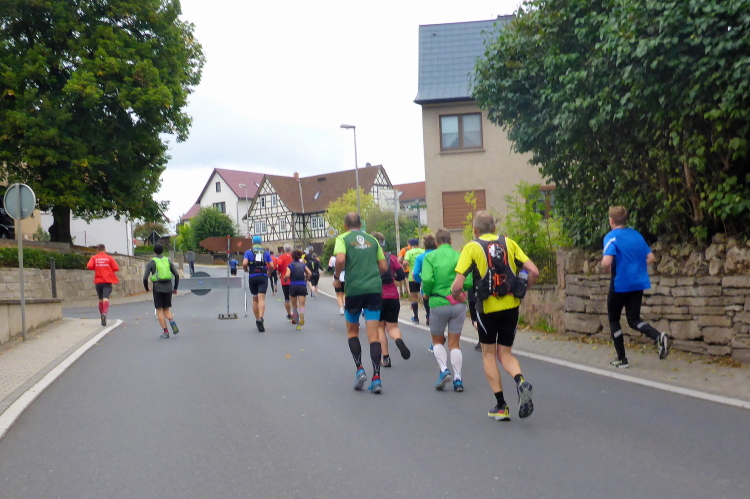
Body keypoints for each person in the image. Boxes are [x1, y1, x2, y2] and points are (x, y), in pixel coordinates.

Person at [451, 211, 539, 421]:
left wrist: (458, 296)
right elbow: (534, 271)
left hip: (487, 308)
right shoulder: (509, 243)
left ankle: (501, 406)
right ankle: (520, 381)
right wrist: (522, 288)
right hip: (511, 306)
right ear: (495, 228)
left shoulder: (471, 247)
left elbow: (457, 285)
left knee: (488, 353)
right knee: (505, 353)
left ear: (475, 230)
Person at [602, 206, 671, 368]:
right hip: (637, 283)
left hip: (620, 284)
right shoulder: (636, 235)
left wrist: (605, 266)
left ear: (611, 221)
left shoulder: (611, 237)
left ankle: (621, 359)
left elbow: (606, 262)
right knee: (634, 319)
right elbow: (651, 257)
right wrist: (636, 266)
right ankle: (658, 336)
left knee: (614, 319)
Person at [333, 212, 388, 394]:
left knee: (352, 331)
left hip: (354, 290)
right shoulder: (372, 239)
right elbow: (383, 266)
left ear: (345, 225)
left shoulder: (343, 238)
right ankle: (376, 378)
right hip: (373, 289)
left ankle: (360, 369)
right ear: (360, 224)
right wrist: (372, 276)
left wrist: (337, 277)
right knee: (374, 336)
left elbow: (340, 259)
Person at [422, 229, 472, 392]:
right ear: (451, 241)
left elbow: (427, 279)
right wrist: (460, 290)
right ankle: (458, 379)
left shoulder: (430, 257)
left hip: (438, 302)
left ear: (436, 243)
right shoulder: (460, 256)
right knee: (454, 343)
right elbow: (469, 281)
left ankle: (444, 370)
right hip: (458, 303)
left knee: (437, 341)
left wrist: (427, 293)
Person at [371, 232, 411, 367]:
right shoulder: (392, 258)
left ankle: (386, 358)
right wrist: (393, 277)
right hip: (393, 296)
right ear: (383, 243)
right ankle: (398, 339)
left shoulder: (370, 260)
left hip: (377, 296)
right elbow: (401, 275)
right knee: (392, 327)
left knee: (380, 328)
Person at [143, 243, 180, 339]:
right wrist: (175, 288)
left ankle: (166, 332)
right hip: (168, 287)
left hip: (157, 288)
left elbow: (145, 278)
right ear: (162, 251)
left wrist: (147, 289)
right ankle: (171, 320)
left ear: (154, 252)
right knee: (166, 309)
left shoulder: (151, 262)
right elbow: (176, 275)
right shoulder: (167, 260)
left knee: (159, 309)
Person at [243, 235, 274, 332]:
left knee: (255, 299)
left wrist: (246, 269)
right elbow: (272, 265)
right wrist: (269, 273)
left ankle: (257, 320)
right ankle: (261, 317)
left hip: (252, 276)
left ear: (252, 243)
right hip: (263, 276)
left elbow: (244, 263)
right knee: (262, 299)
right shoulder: (266, 252)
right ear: (261, 243)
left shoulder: (248, 252)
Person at [86, 244, 120, 326]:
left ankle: (102, 315)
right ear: (105, 250)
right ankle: (104, 313)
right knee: (106, 298)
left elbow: (89, 266)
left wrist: (97, 267)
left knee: (100, 299)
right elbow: (116, 268)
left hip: (98, 281)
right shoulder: (109, 258)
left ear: (97, 250)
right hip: (107, 281)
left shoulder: (94, 258)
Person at [412, 233, 437, 326]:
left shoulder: (420, 257)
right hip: (441, 284)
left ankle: (429, 315)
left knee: (427, 300)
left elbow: (415, 273)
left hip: (426, 284)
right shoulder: (440, 255)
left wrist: (418, 280)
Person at [285, 249, 312, 330]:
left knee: (294, 306)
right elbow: (310, 273)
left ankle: (298, 324)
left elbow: (287, 275)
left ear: (292, 256)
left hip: (293, 285)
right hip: (302, 285)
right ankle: (302, 314)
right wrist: (306, 279)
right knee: (302, 304)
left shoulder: (290, 265)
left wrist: (285, 278)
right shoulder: (303, 265)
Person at [404, 238, 425, 323]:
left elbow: (405, 262)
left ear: (410, 245)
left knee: (414, 298)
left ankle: (416, 317)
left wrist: (404, 268)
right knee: (425, 296)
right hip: (424, 275)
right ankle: (428, 316)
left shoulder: (409, 252)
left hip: (413, 277)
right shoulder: (423, 251)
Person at [276, 244, 294, 321]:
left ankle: (289, 314)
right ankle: (296, 313)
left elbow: (279, 264)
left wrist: (279, 271)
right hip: (294, 279)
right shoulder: (294, 256)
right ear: (291, 250)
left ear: (284, 250)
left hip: (285, 279)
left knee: (287, 298)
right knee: (295, 297)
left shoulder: (281, 257)